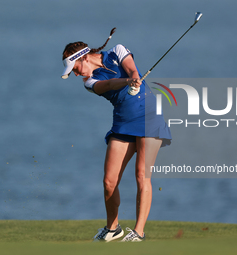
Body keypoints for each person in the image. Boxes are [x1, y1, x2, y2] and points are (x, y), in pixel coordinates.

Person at [61, 28, 171, 242]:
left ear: (82, 58)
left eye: (74, 68)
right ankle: (113, 229)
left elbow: (131, 70)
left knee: (142, 175)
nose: (75, 74)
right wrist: (128, 82)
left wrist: (134, 78)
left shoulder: (118, 51)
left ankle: (138, 232)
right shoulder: (89, 82)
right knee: (109, 181)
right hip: (123, 124)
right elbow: (109, 84)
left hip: (149, 117)